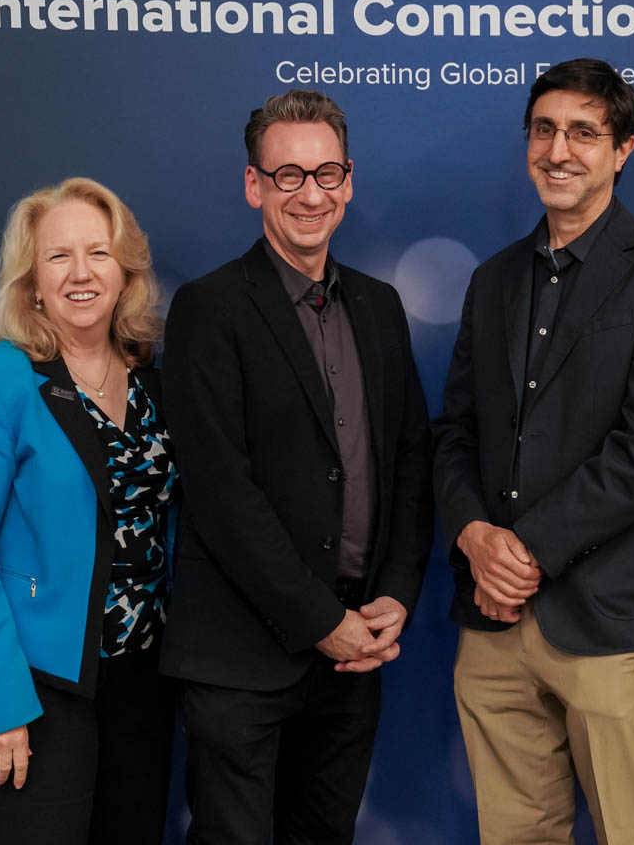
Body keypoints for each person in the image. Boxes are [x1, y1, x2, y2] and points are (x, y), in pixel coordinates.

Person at [433, 58, 634, 844]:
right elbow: (453, 434)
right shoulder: (491, 282)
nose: (559, 150)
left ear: (622, 150)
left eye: (584, 133)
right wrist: (473, 536)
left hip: (611, 621)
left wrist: (522, 551)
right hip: (491, 623)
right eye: (545, 130)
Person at [158, 89, 434, 845]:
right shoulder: (209, 310)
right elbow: (221, 493)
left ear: (349, 180)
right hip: (243, 655)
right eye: (288, 176)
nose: (311, 195)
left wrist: (395, 596)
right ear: (255, 186)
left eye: (327, 173)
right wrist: (322, 623)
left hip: (354, 654)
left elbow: (410, 459)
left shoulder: (379, 306)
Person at [0, 177, 177, 844]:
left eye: (98, 252)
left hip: (140, 679)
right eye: (58, 256)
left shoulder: (153, 377)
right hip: (32, 683)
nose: (81, 272)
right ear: (31, 282)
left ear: (125, 272)